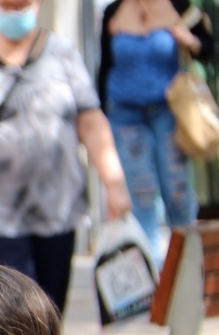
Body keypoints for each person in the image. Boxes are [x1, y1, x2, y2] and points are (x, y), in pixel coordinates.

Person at [0, 0, 131, 313]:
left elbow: (91, 122)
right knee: (13, 314)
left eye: (22, 4)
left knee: (50, 312)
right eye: (8, 4)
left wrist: (114, 183)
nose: (15, 11)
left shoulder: (63, 53)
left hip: (57, 208)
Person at [100, 0, 212, 256]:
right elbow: (105, 69)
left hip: (168, 113)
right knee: (142, 198)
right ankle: (153, 285)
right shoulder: (114, 11)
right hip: (125, 115)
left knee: (178, 194)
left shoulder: (179, 6)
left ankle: (188, 271)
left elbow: (207, 48)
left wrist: (189, 40)